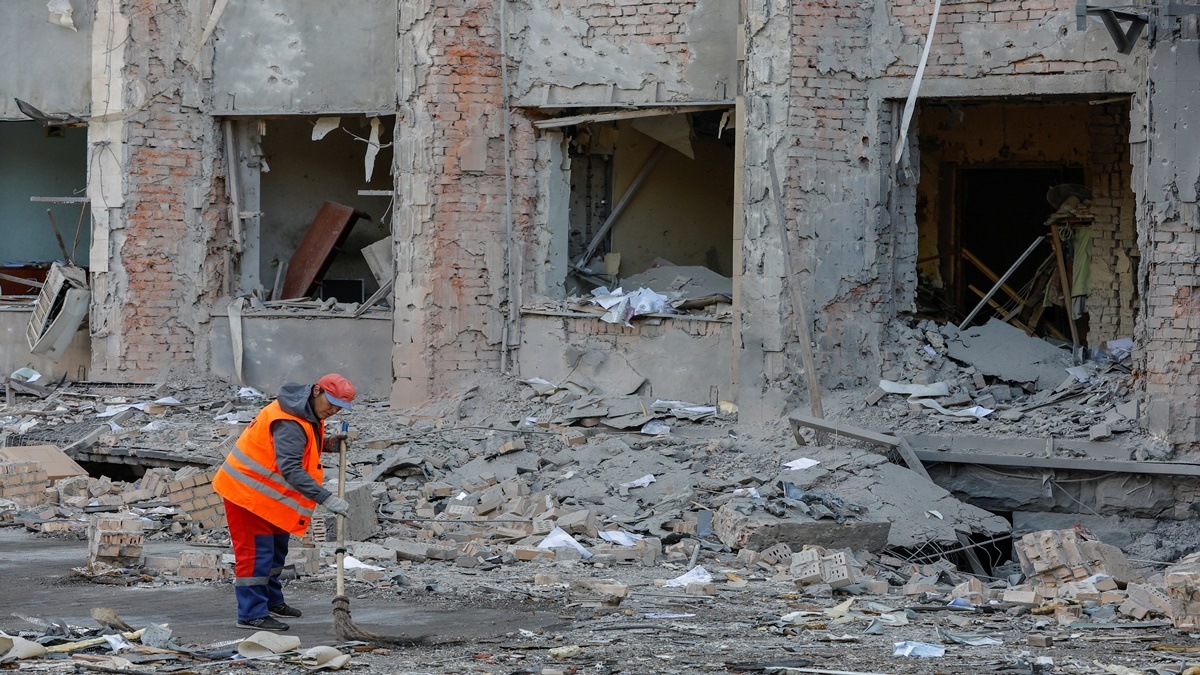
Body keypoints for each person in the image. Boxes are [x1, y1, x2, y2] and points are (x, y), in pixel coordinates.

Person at [212, 373, 357, 631]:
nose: (333, 410)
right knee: (256, 556)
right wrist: (326, 498)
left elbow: (300, 443)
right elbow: (290, 467)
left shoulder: (306, 412)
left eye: (339, 407)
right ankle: (251, 614)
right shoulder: (289, 420)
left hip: (267, 497)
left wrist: (328, 443)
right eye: (331, 402)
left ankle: (271, 601)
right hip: (247, 495)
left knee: (276, 550)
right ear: (316, 391)